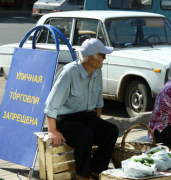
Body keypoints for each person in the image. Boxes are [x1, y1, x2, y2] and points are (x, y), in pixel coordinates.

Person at [44, 38, 119, 180]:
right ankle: (83, 176)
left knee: (111, 131)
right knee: (85, 134)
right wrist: (53, 131)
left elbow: (98, 103)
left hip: (87, 116)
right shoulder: (69, 72)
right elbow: (51, 104)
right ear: (92, 58)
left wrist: (98, 123)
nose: (104, 59)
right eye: (103, 56)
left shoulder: (97, 71)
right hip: (66, 119)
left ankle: (97, 170)